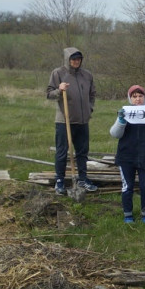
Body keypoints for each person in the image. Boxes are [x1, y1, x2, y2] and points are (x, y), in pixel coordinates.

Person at [46, 47, 98, 195]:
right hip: (65, 120)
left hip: (82, 121)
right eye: (73, 59)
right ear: (67, 60)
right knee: (62, 152)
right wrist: (59, 90)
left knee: (82, 152)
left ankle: (82, 179)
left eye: (78, 59)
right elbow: (49, 94)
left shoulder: (87, 75)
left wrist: (90, 108)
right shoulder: (58, 73)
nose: (76, 61)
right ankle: (60, 181)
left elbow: (92, 94)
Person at [110, 85, 145, 225]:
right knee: (128, 187)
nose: (138, 99)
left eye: (140, 96)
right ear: (130, 99)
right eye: (134, 96)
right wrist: (121, 122)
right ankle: (128, 215)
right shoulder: (125, 113)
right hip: (126, 156)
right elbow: (114, 134)